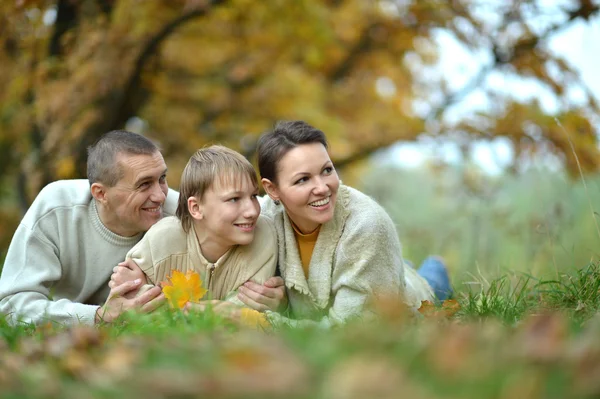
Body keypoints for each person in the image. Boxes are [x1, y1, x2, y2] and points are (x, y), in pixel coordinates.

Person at [253, 120, 452, 328]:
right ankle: (401, 266)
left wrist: (263, 321)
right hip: (370, 267)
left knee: (432, 285)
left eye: (327, 170)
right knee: (391, 268)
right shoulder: (263, 216)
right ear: (272, 190)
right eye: (303, 179)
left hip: (407, 300)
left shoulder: (367, 224)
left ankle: (436, 267)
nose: (322, 188)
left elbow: (350, 329)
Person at [0, 130, 176, 326]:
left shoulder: (181, 214)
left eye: (162, 178)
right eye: (144, 184)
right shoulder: (56, 209)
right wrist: (99, 316)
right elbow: (11, 306)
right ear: (100, 194)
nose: (160, 196)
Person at [118, 146, 277, 314]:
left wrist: (171, 308)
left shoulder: (263, 236)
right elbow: (132, 300)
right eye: (234, 199)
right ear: (196, 208)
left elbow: (247, 311)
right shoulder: (162, 239)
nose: (251, 211)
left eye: (253, 196)